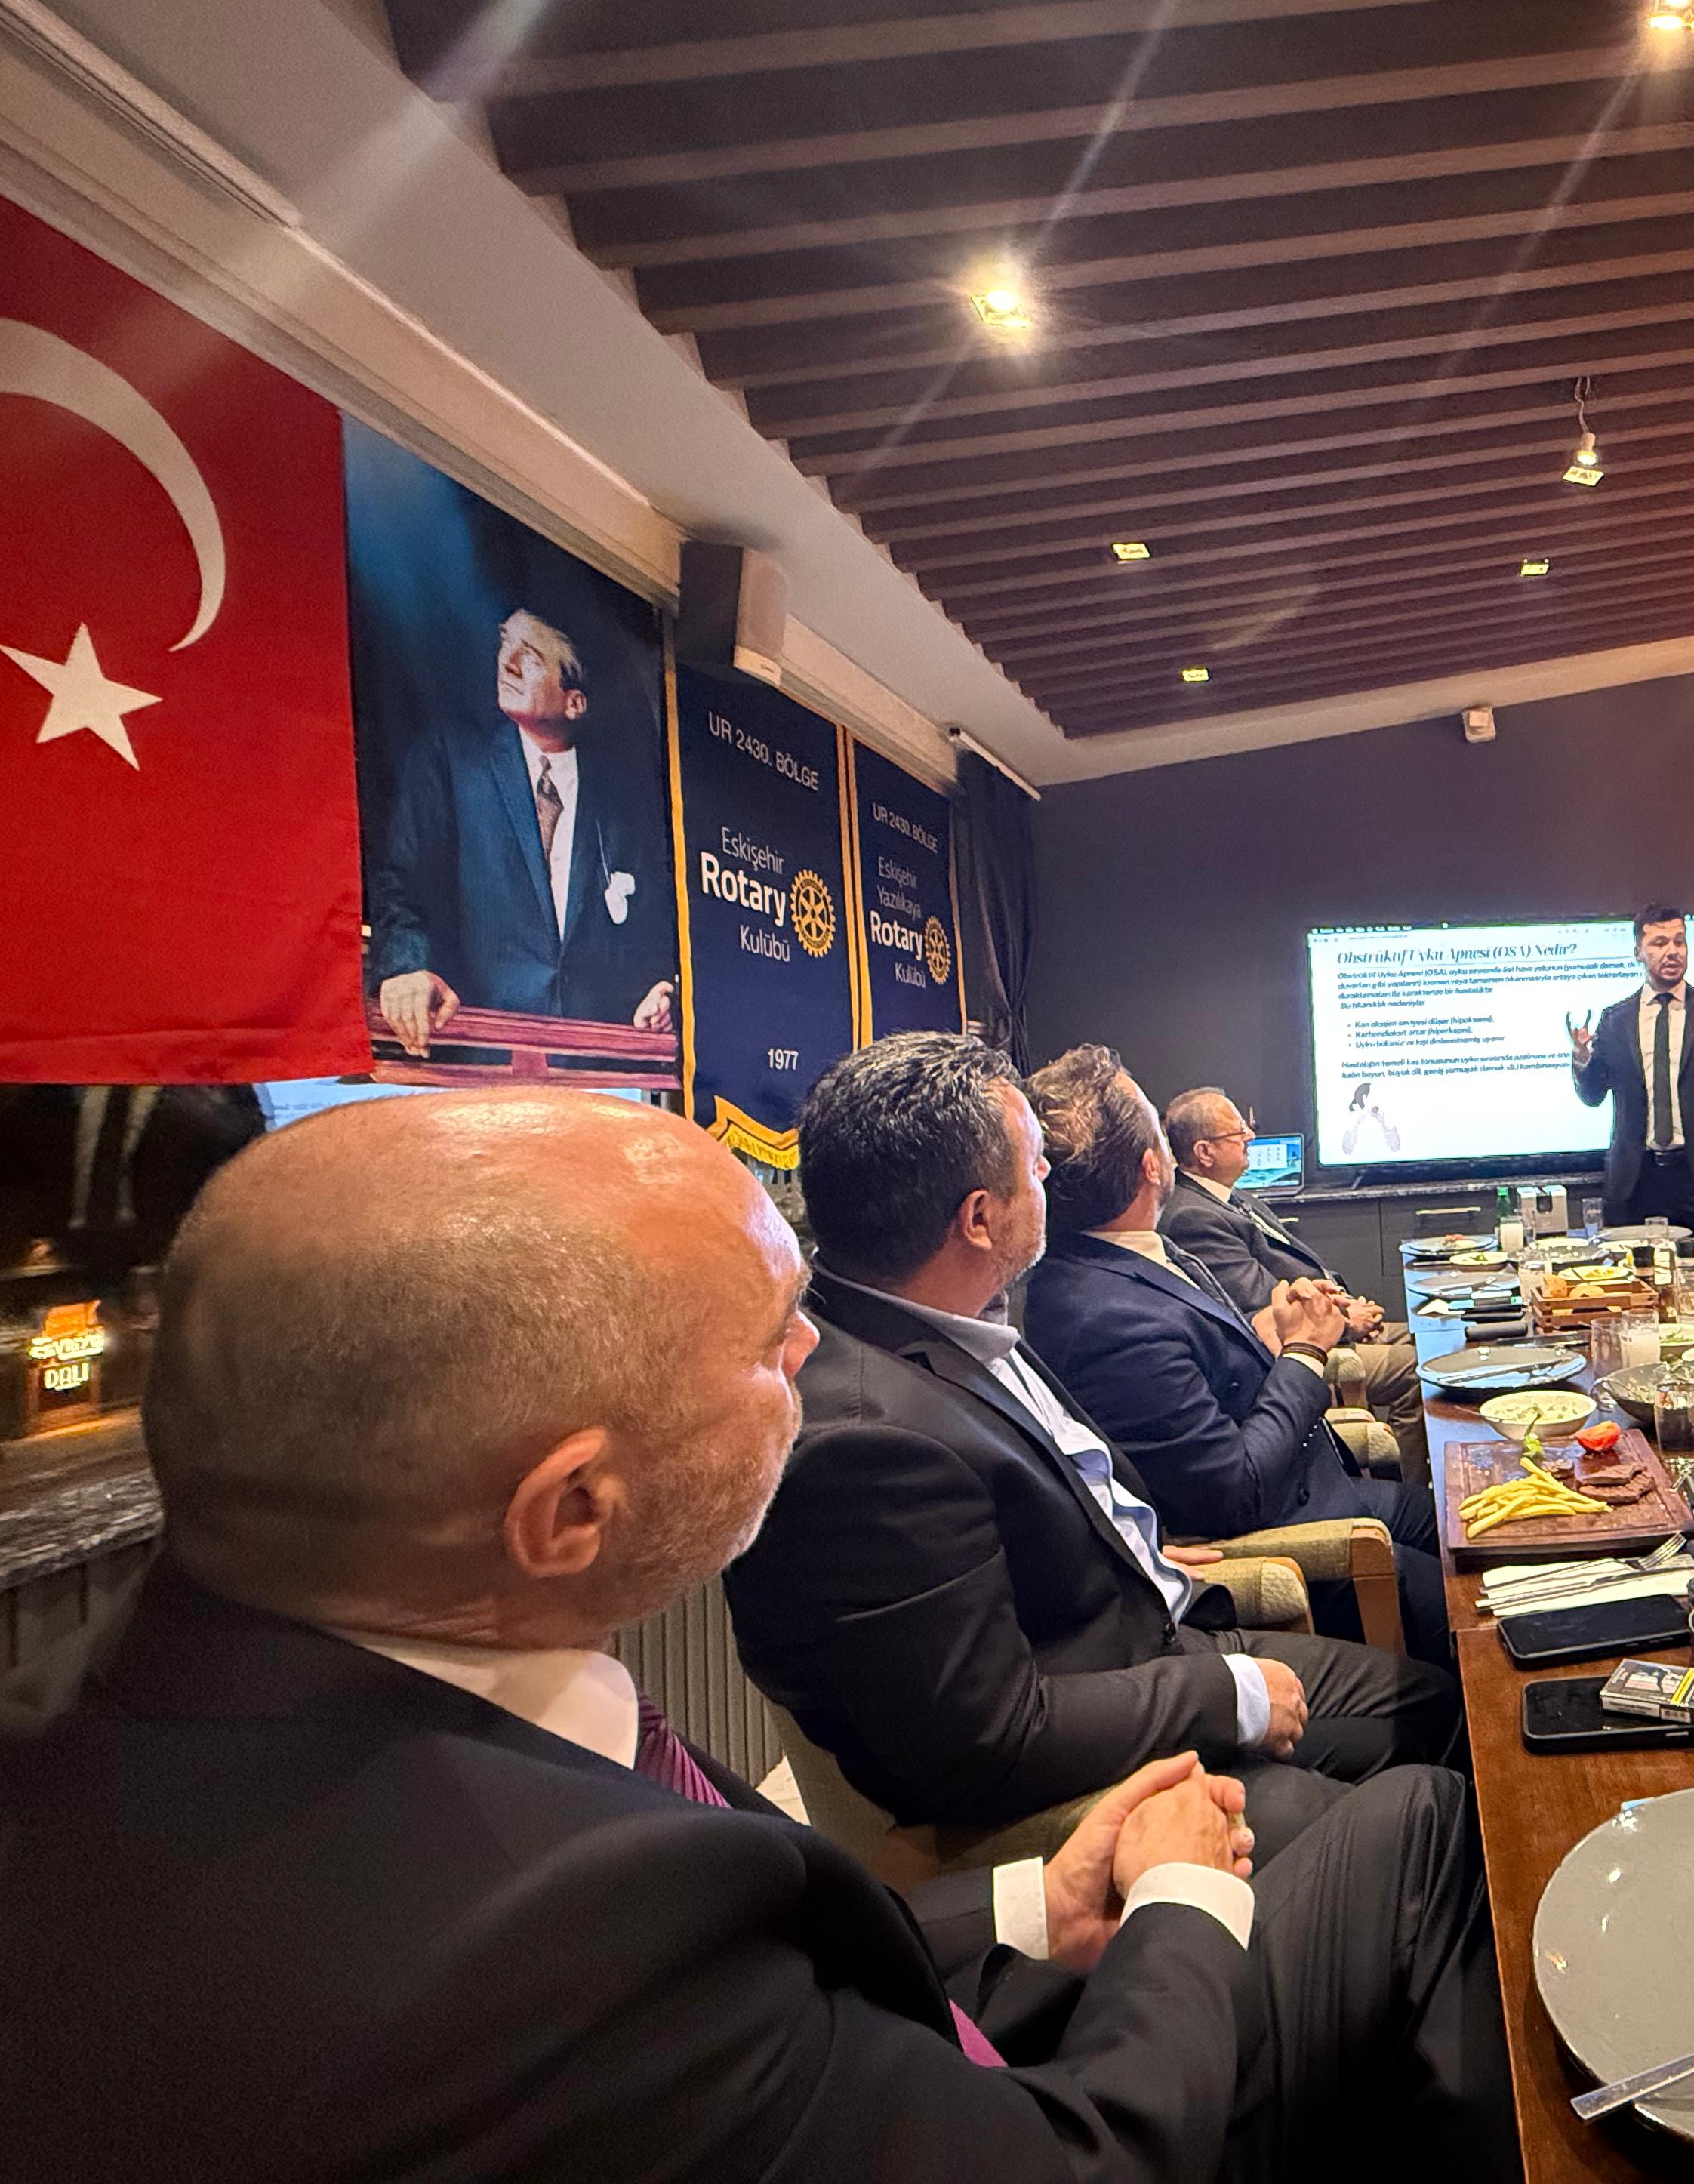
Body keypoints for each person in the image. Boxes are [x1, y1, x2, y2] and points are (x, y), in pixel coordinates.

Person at [0, 1087, 1519, 2184]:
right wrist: (1181, 1895)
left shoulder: (139, 1704)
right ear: (569, 1509)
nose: (815, 1351)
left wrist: (1029, 1901)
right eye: (768, 1336)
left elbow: (777, 1953)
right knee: (1424, 1827)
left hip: (965, 1974)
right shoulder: (545, 1951)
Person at [727, 1033, 1461, 1863]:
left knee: (1442, 1703)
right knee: (1436, 1803)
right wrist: (1224, 1692)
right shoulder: (864, 1444)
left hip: (1153, 1628)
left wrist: (1127, 1545)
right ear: (979, 1218)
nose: (1051, 1174)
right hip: (1100, 1756)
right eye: (1032, 1163)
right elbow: (986, 1741)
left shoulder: (955, 1317)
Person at [1019, 1046, 1452, 1667]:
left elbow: (1208, 1373)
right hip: (1305, 1547)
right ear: (1152, 1165)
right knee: (1483, 1611)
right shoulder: (1103, 1316)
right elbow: (1235, 1492)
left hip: (1323, 1489)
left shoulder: (1130, 1253)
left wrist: (1267, 1330)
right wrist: (1304, 1353)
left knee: (1474, 1522)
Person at [365, 609, 676, 1051]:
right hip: (473, 1047)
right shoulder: (452, 759)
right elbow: (402, 883)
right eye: (505, 643)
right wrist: (405, 969)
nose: (507, 663)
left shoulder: (619, 801)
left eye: (529, 656)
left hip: (592, 1058)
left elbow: (647, 926)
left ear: (574, 703)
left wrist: (656, 992)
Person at [1161, 1086, 1426, 1486]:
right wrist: (1344, 1322)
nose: (1250, 1136)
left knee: (1428, 1339)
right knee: (1418, 1371)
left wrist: (1345, 1305)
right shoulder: (1192, 1217)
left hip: (1331, 1319)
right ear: (1205, 1152)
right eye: (1238, 1132)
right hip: (1300, 1351)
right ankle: (1411, 1493)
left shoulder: (1229, 1197)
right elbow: (1265, 1304)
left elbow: (1296, 1271)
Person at [1569, 904, 1694, 1247]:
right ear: (1638, 952)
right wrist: (1582, 1057)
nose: (1673, 951)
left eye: (1679, 941)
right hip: (1637, 1181)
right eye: (1660, 943)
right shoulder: (1615, 1020)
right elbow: (1592, 1096)